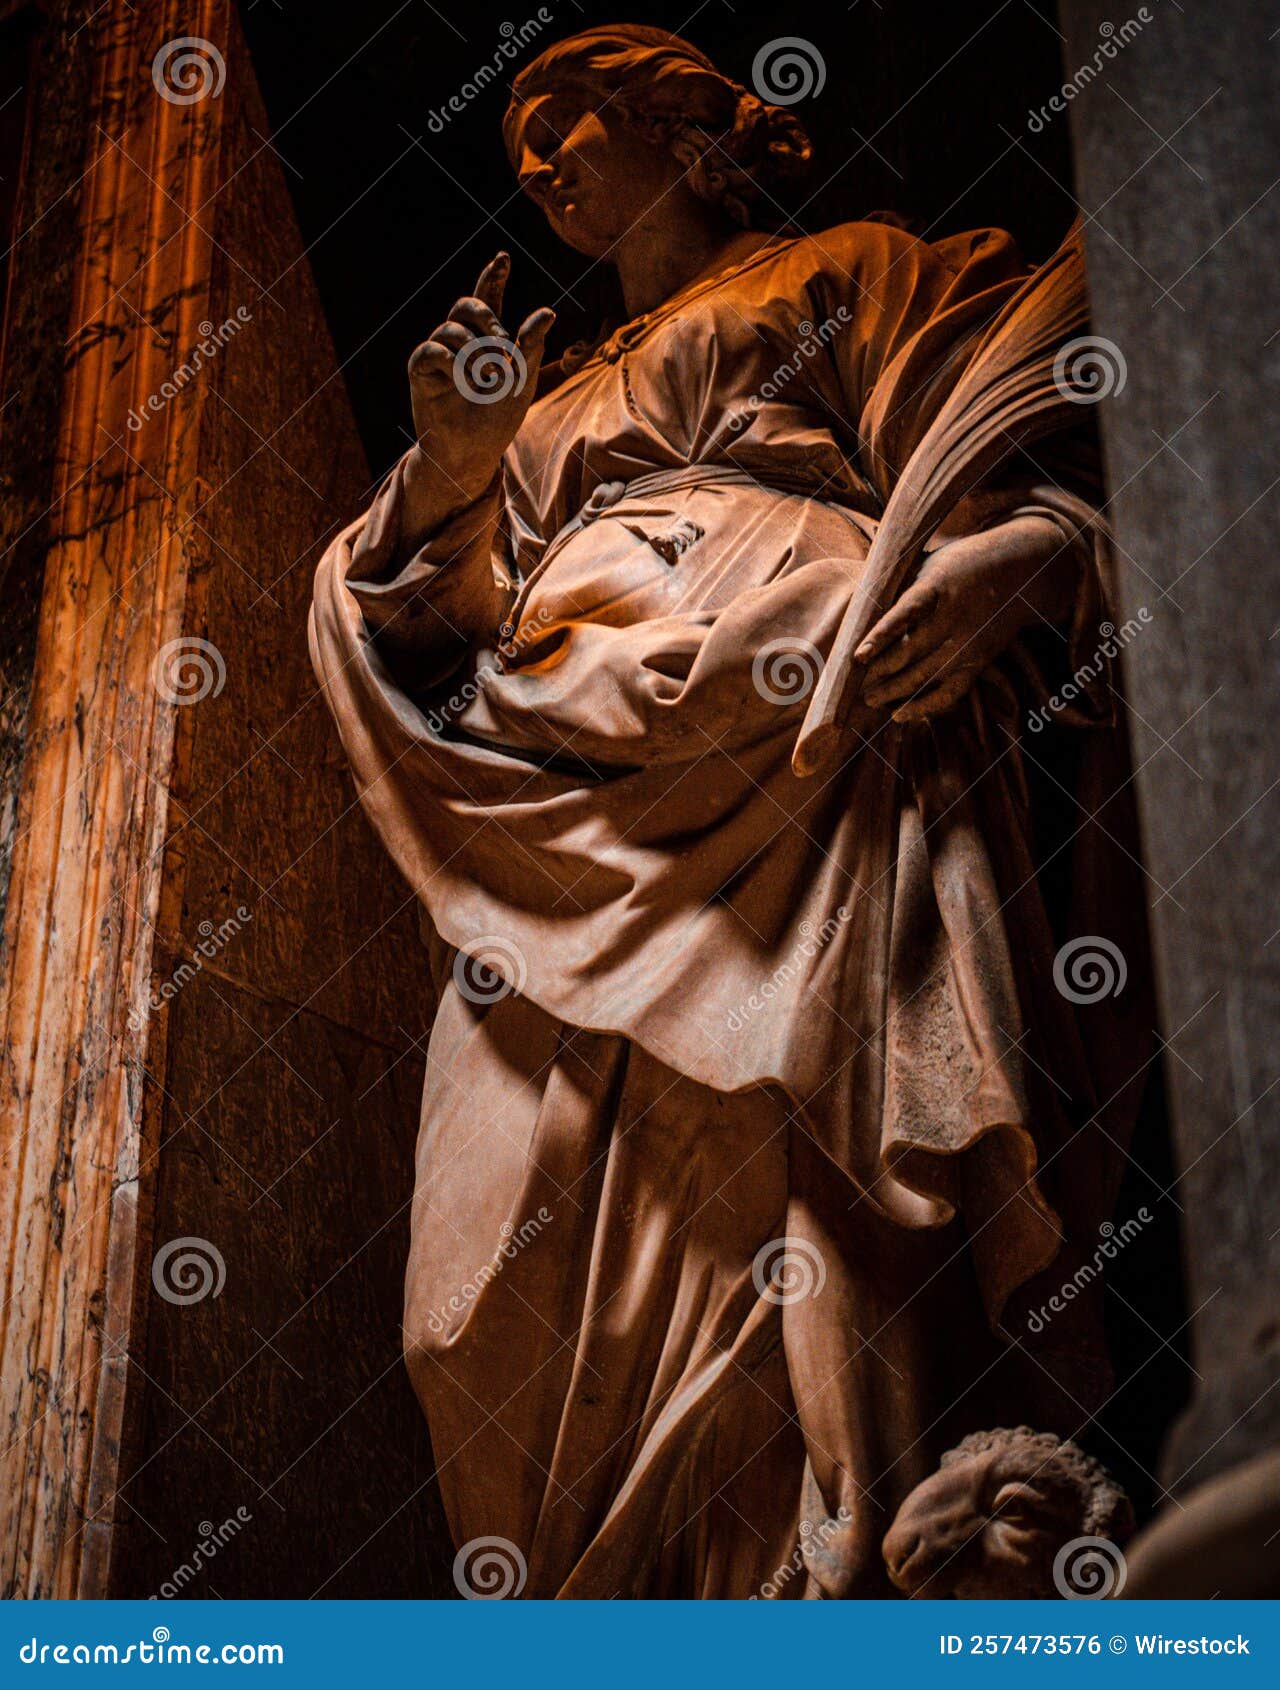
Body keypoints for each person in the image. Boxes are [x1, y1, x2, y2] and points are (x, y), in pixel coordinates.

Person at [310, 24, 1150, 1598]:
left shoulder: (848, 266)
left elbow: (1022, 430)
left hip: (809, 727)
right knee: (475, 1294)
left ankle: (844, 1574)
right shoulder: (548, 391)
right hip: (554, 802)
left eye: (570, 124)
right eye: (521, 158)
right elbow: (429, 626)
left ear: (685, 126)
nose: (545, 166)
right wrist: (453, 473)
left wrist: (1027, 548)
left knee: (813, 1191)